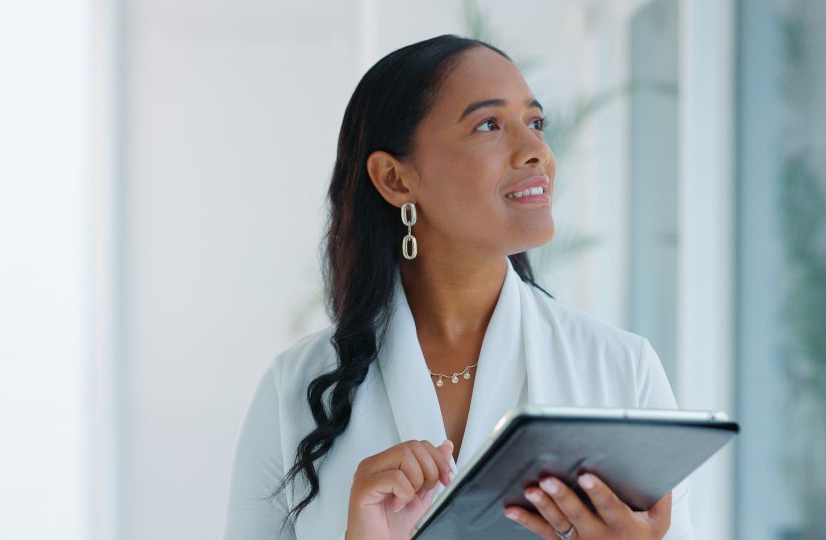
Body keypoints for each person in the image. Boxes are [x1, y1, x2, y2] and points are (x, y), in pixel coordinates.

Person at [222, 34, 694, 540]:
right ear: (395, 180)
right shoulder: (294, 391)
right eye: (489, 125)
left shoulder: (621, 372)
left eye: (536, 123)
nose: (536, 151)